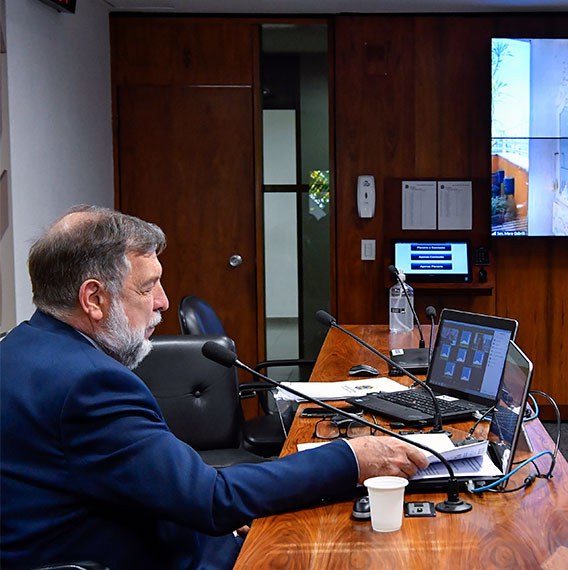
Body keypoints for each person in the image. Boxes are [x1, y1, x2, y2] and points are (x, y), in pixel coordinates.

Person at [0, 205, 429, 569]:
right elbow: (210, 499)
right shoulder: (90, 386)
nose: (164, 302)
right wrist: (353, 457)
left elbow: (153, 482)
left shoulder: (19, 347)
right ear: (94, 299)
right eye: (148, 287)